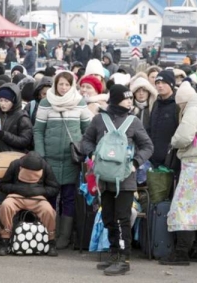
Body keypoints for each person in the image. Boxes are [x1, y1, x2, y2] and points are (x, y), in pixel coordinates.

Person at [80, 84, 153, 275]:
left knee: (122, 219)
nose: (130, 100)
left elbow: (147, 146)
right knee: (108, 218)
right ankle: (114, 254)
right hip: (103, 178)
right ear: (115, 99)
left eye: (131, 98)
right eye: (126, 98)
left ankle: (124, 258)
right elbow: (85, 141)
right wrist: (92, 154)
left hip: (125, 179)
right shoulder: (99, 120)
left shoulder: (133, 121)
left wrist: (135, 163)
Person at [159, 83, 197, 266]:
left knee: (184, 208)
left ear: (182, 101)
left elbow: (184, 137)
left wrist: (173, 141)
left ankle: (181, 253)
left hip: (194, 165)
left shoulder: (192, 111)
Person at [33, 71, 93, 249]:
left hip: (71, 160)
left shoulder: (80, 103)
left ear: (72, 85)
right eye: (60, 84)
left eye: (67, 84)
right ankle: (50, 233)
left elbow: (88, 130)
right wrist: (41, 155)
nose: (64, 87)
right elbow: (38, 131)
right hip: (49, 159)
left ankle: (65, 236)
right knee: (49, 196)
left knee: (68, 197)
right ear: (55, 85)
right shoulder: (45, 103)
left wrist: (82, 150)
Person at [0, 152, 59, 256]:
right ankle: (4, 240)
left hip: (37, 198)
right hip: (16, 197)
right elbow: (3, 185)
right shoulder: (15, 164)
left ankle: (51, 241)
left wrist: (39, 191)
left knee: (48, 211)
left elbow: (54, 188)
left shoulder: (45, 166)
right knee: (6, 206)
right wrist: (17, 188)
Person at [0, 83, 33, 153]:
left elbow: (25, 141)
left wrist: (4, 135)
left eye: (6, 101)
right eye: (1, 100)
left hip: (13, 156)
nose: (3, 104)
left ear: (14, 101)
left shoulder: (22, 118)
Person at [148, 70, 179, 168]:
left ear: (171, 84)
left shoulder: (177, 105)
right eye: (157, 83)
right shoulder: (156, 103)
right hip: (153, 157)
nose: (160, 86)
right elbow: (150, 127)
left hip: (171, 159)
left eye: (164, 83)